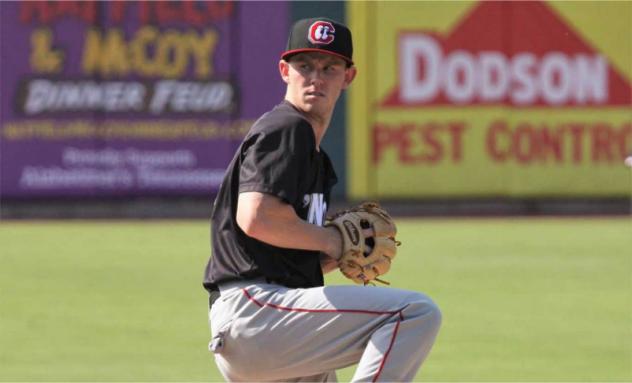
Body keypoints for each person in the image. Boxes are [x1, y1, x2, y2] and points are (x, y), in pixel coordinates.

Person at [203, 17, 441, 382]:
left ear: (348, 77)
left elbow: (277, 242)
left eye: (330, 67)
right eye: (305, 66)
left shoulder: (313, 155)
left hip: (266, 327)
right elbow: (256, 217)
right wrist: (334, 239)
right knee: (414, 313)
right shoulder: (287, 128)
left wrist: (331, 256)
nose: (316, 77)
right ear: (285, 71)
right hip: (259, 313)